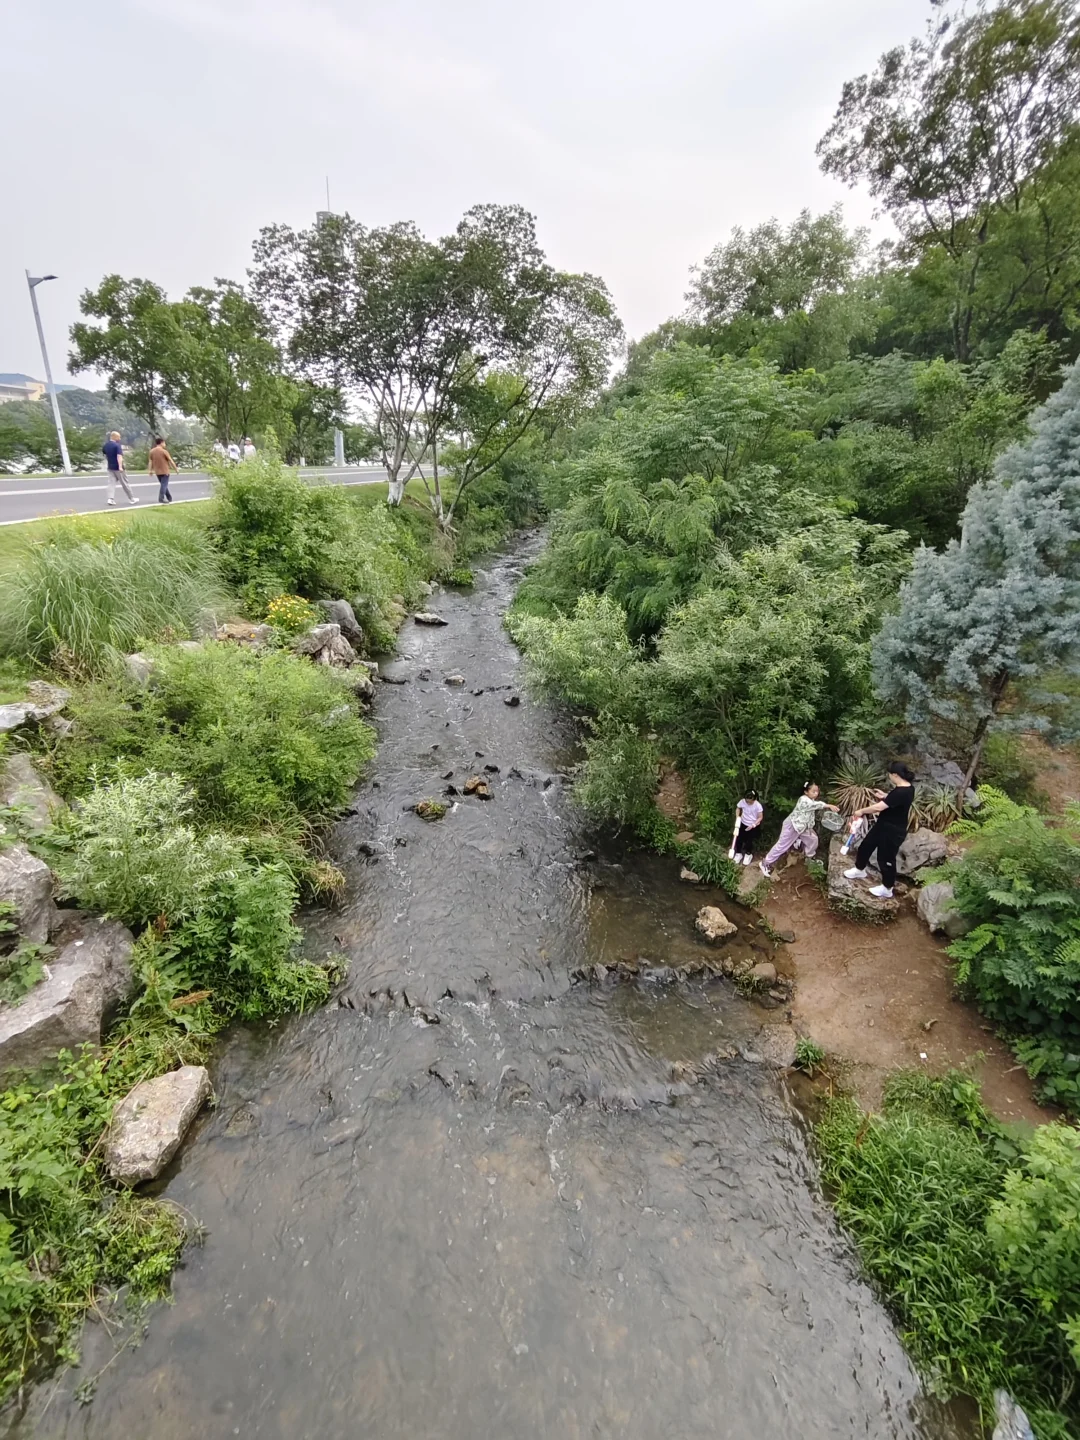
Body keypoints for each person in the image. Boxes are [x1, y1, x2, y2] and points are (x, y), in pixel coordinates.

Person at [844, 762, 916, 899]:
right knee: (866, 845)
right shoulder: (907, 788)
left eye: (890, 775)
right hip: (883, 825)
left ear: (895, 775)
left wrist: (861, 811)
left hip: (893, 831)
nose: (889, 777)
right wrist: (885, 796)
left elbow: (878, 808)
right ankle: (860, 869)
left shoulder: (901, 791)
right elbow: (895, 801)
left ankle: (887, 888)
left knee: (885, 858)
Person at [759, 782, 839, 879]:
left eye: (817, 791)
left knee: (813, 839)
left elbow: (810, 814)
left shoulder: (811, 800)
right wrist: (828, 805)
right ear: (806, 792)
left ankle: (809, 858)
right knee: (782, 846)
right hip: (793, 826)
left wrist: (810, 826)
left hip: (803, 827)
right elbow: (813, 805)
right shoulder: (803, 800)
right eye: (813, 791)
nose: (816, 793)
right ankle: (765, 863)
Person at [102, 432, 137, 506]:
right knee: (125, 483)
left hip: (110, 467)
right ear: (114, 437)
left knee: (111, 483)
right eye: (119, 437)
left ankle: (110, 499)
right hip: (118, 468)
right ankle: (131, 498)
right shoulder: (117, 446)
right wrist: (120, 466)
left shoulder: (106, 445)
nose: (120, 439)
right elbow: (119, 456)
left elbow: (105, 455)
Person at [729, 790, 763, 866]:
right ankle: (738, 853)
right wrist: (738, 817)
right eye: (747, 801)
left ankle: (748, 854)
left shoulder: (758, 806)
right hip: (743, 823)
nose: (748, 802)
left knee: (749, 841)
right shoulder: (742, 802)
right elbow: (738, 808)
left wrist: (753, 825)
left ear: (754, 799)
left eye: (749, 801)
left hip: (752, 825)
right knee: (739, 839)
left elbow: (760, 817)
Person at [148, 435, 178, 504]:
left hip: (157, 471)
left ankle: (169, 497)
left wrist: (150, 470)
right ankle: (161, 498)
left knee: (163, 485)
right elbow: (170, 460)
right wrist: (176, 469)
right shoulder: (164, 451)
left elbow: (150, 461)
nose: (165, 444)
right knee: (164, 485)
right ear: (161, 443)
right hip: (165, 471)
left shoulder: (152, 451)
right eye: (164, 443)